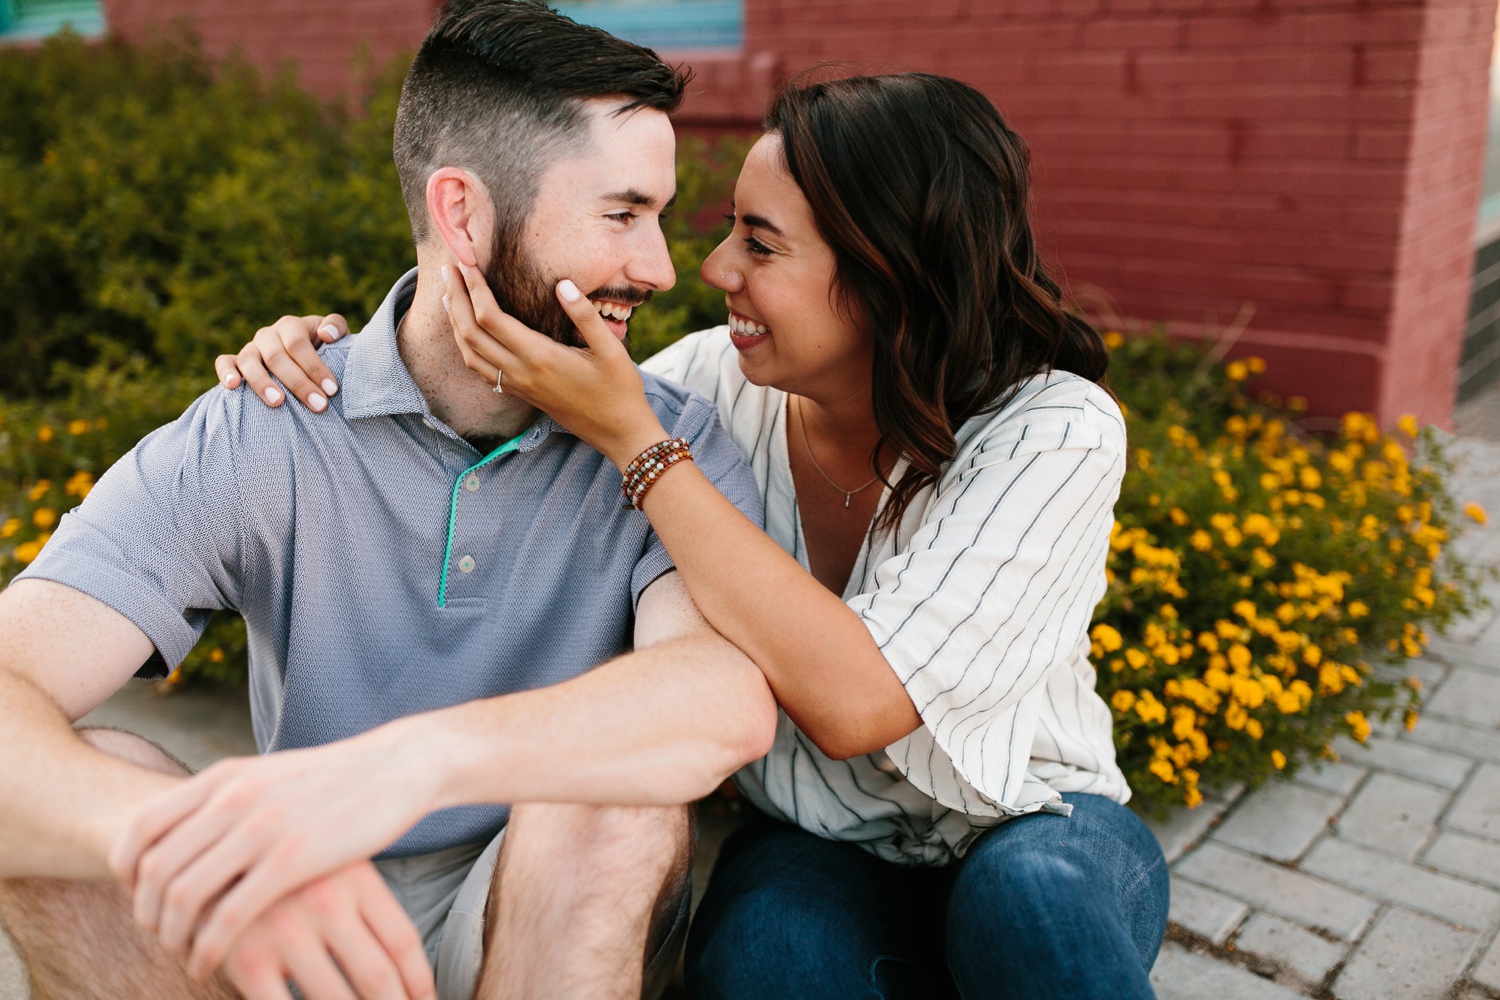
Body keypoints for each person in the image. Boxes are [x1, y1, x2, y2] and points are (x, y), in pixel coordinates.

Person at [226, 72, 1170, 998]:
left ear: (887, 272)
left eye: (760, 244)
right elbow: (511, 407)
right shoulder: (713, 385)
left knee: (1030, 903)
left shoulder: (1053, 428)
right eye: (729, 229)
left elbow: (857, 701)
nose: (714, 268)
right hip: (820, 838)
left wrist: (637, 443)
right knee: (764, 963)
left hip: (1031, 817)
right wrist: (331, 362)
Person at [0, 4, 780, 1000]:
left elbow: (720, 697)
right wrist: (181, 842)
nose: (661, 268)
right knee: (74, 817)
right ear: (463, 213)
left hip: (526, 900)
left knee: (613, 806)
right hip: (283, 914)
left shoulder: (667, 443)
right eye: (622, 215)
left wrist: (414, 764)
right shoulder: (268, 422)